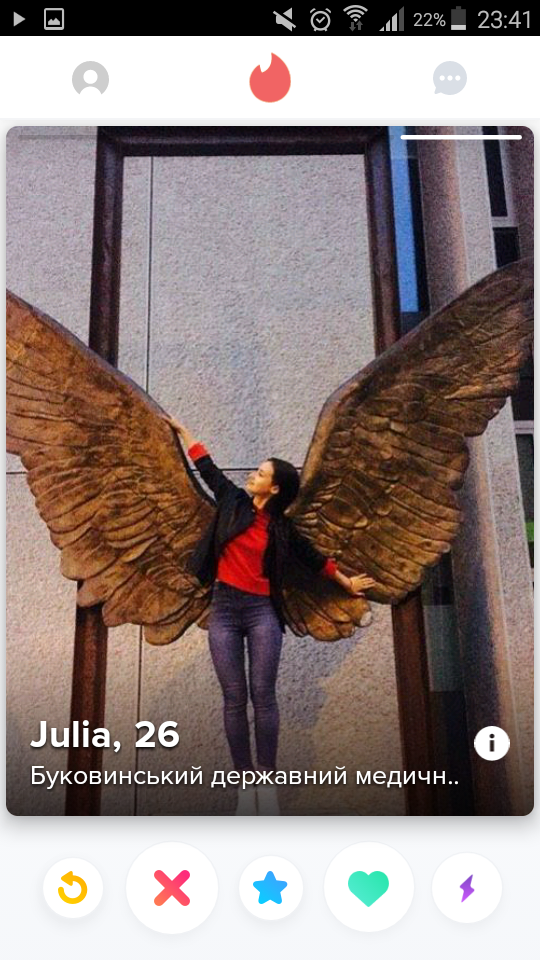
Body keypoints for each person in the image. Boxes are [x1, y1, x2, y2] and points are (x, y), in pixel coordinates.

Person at [163, 415, 376, 815]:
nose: (253, 475)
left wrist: (346, 582)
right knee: (233, 698)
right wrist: (181, 431)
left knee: (263, 695)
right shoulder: (231, 501)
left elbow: (314, 559)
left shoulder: (281, 528)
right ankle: (245, 784)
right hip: (225, 611)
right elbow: (206, 467)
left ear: (274, 488)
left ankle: (267, 781)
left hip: (262, 612)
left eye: (260, 474)